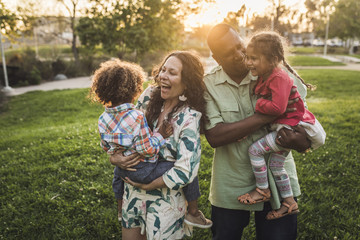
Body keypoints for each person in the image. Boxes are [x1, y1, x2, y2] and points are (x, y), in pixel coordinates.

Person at [204, 23, 313, 239]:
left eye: (240, 46)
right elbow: (215, 136)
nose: (240, 54)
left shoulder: (277, 74)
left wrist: (303, 142)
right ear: (217, 59)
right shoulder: (208, 84)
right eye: (229, 53)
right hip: (231, 183)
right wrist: (269, 115)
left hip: (279, 181)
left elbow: (303, 128)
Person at [109, 51, 212, 239]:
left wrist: (149, 185)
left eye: (172, 72)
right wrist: (114, 156)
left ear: (186, 81)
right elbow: (124, 132)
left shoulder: (189, 118)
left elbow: (185, 170)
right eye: (163, 70)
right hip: (132, 194)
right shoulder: (148, 97)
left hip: (164, 202)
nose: (163, 75)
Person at [237, 31, 326, 220]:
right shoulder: (268, 74)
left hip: (289, 128)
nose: (249, 62)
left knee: (255, 151)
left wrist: (258, 104)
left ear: (273, 59)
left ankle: (262, 190)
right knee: (277, 166)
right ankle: (289, 202)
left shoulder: (279, 77)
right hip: (286, 126)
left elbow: (277, 108)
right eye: (248, 57)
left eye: (254, 58)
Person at [90, 59, 172, 222]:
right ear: (135, 90)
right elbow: (147, 149)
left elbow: (105, 146)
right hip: (143, 169)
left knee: (117, 179)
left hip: (121, 170)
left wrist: (115, 154)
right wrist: (160, 135)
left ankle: (121, 210)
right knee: (173, 165)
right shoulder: (137, 117)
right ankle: (192, 209)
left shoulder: (102, 118)